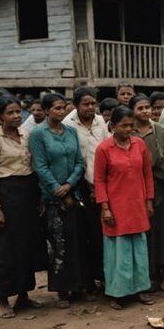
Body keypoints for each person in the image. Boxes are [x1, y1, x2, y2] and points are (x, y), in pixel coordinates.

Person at [0, 96, 45, 318]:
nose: (17, 116)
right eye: (10, 112)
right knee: (5, 249)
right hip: (5, 195)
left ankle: (24, 295)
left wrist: (38, 199)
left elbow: (33, 168)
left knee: (26, 245)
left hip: (27, 193)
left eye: (19, 112)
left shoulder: (27, 135)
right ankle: (2, 298)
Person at [94, 106, 155, 310]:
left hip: (137, 204)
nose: (128, 129)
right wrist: (105, 208)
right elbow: (99, 180)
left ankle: (141, 288)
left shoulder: (139, 145)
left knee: (139, 250)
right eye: (124, 125)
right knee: (118, 252)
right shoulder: (104, 149)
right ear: (113, 126)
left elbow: (147, 174)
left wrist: (149, 201)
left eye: (131, 125)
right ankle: (117, 292)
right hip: (115, 207)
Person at [29, 92, 87, 308]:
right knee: (58, 243)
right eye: (56, 108)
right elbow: (40, 166)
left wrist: (70, 185)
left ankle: (78, 285)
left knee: (76, 240)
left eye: (63, 107)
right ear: (45, 111)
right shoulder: (38, 134)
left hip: (74, 192)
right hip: (52, 197)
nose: (61, 112)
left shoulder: (71, 131)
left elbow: (80, 162)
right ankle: (62, 289)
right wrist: (57, 189)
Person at [63, 87, 109, 291]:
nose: (91, 108)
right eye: (86, 104)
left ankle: (102, 276)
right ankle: (86, 281)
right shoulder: (68, 124)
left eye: (93, 104)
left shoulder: (100, 122)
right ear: (76, 105)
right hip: (79, 185)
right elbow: (72, 157)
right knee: (83, 235)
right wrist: (86, 185)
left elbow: (107, 148)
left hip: (102, 183)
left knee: (100, 234)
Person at [132, 94, 164, 292]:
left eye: (147, 107)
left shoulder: (159, 130)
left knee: (162, 231)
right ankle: (145, 276)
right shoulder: (128, 131)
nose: (145, 111)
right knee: (143, 234)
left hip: (159, 186)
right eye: (140, 108)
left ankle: (163, 273)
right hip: (133, 189)